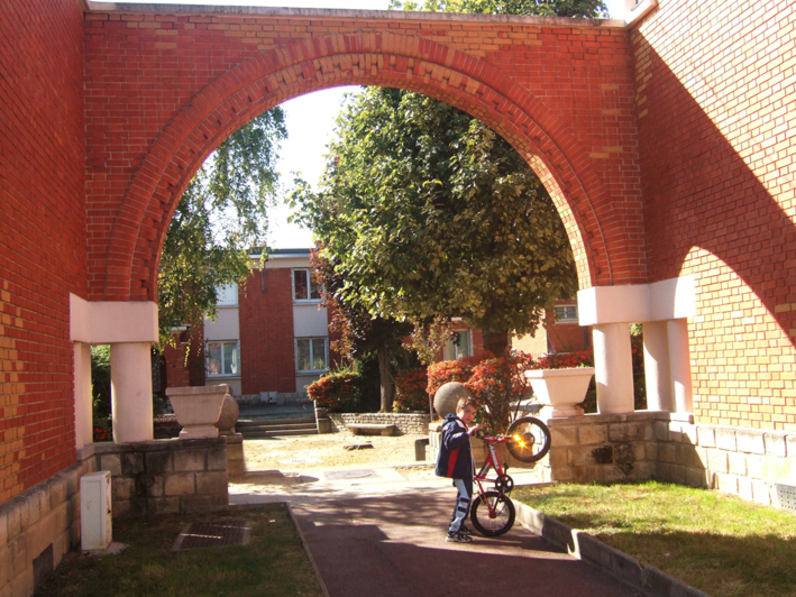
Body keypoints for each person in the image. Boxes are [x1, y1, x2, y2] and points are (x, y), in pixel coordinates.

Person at [435, 395, 479, 543]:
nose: (469, 416)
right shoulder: (454, 425)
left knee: (463, 496)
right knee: (465, 498)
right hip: (458, 469)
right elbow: (449, 442)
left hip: (463, 469)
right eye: (467, 411)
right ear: (458, 409)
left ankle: (458, 525)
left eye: (473, 413)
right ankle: (453, 531)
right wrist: (467, 434)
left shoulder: (461, 425)